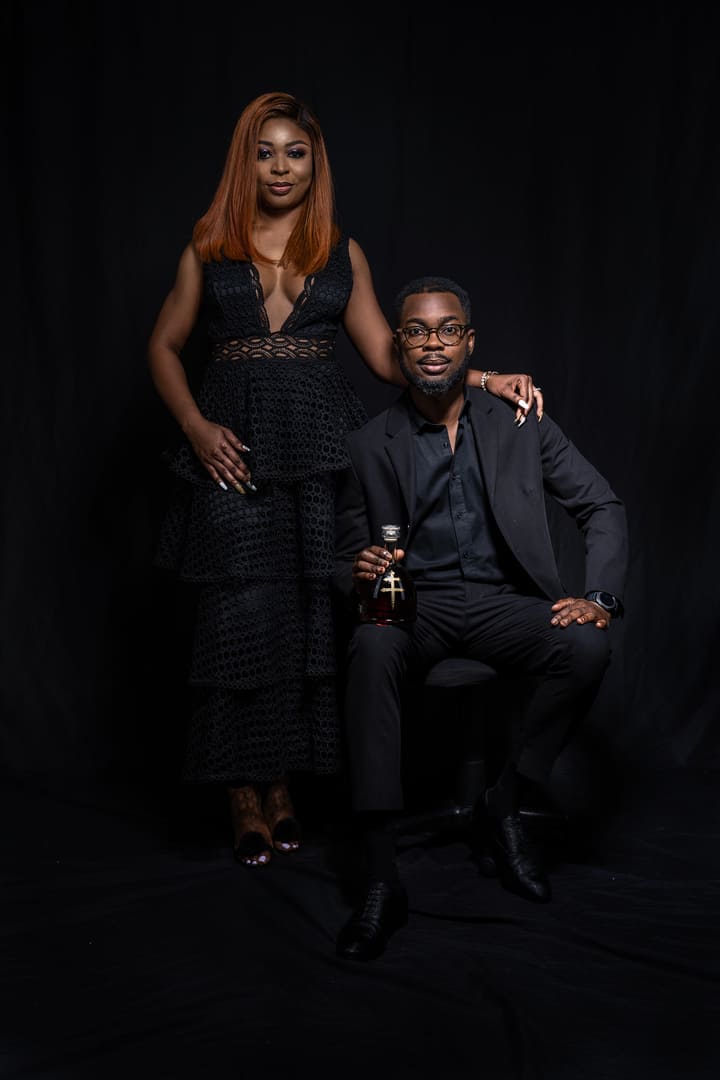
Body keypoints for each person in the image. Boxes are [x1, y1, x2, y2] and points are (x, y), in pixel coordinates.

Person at [147, 91, 544, 868]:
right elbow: (163, 346)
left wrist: (483, 376)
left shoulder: (340, 250)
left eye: (296, 151)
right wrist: (196, 428)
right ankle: (242, 795)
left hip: (320, 451)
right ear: (245, 160)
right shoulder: (208, 245)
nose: (281, 166)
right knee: (241, 625)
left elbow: (391, 359)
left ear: (315, 161)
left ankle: (285, 790)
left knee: (307, 621)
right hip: (234, 452)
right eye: (266, 151)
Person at [332, 275, 628, 961]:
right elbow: (336, 554)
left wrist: (601, 597)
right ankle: (380, 877)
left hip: (504, 604)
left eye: (446, 330)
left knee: (587, 649)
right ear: (398, 344)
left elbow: (601, 506)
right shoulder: (368, 443)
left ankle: (506, 799)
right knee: (370, 652)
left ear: (469, 342)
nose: (431, 344)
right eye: (415, 330)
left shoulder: (522, 422)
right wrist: (356, 569)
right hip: (416, 607)